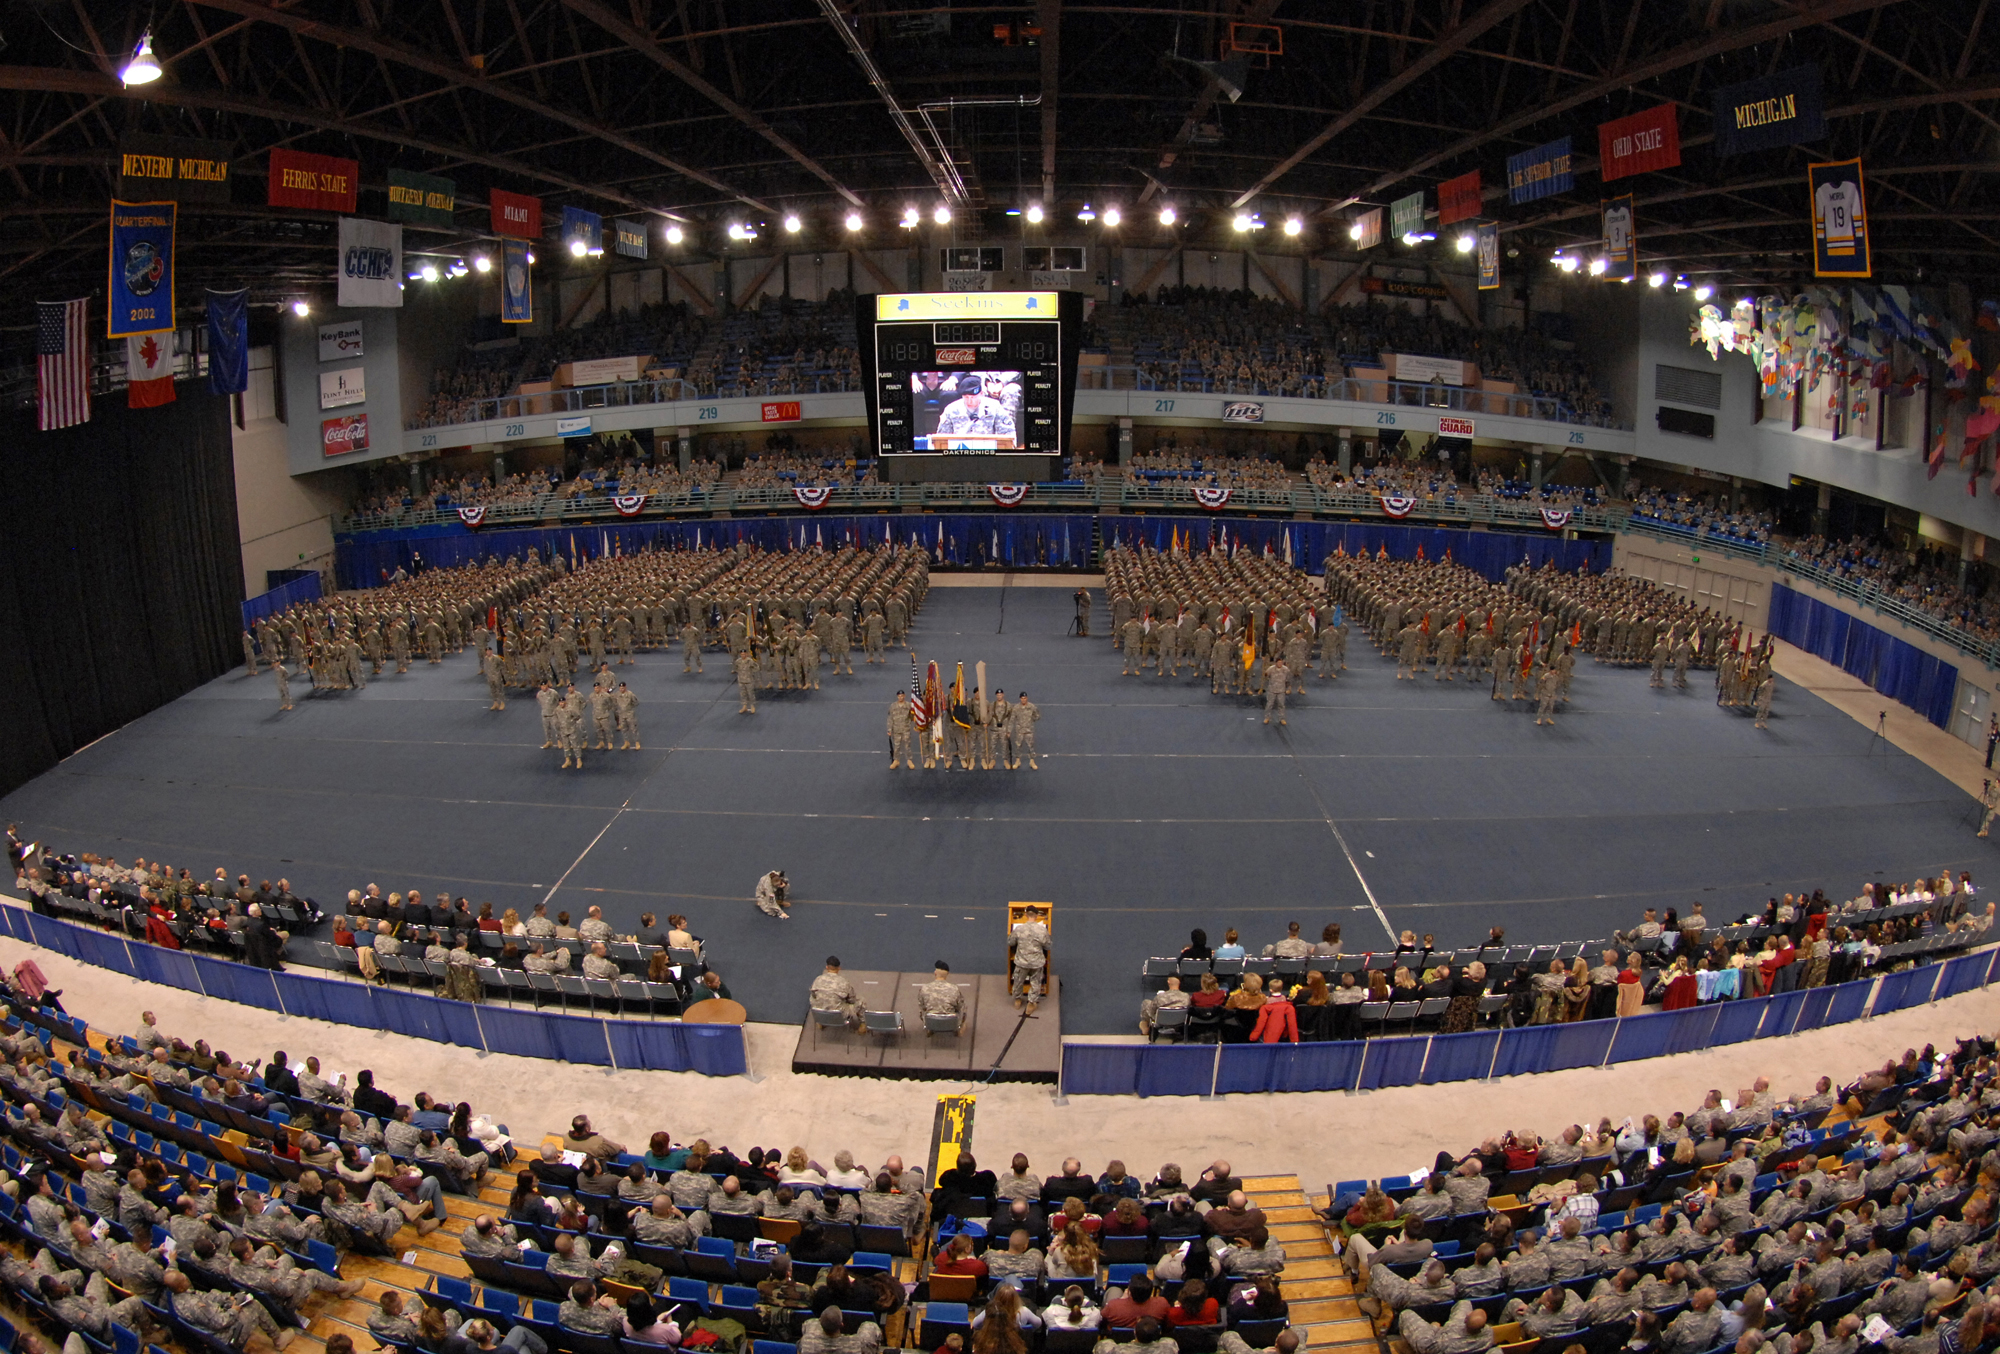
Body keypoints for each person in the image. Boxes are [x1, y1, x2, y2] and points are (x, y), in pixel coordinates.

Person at [935, 375, 1017, 441]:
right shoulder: (951, 409)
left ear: (981, 393)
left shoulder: (994, 407)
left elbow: (1008, 435)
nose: (969, 401)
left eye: (973, 397)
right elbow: (942, 438)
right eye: (966, 397)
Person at [1011, 905, 1051, 1012]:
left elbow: (1010, 942)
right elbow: (1048, 946)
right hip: (1036, 963)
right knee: (1035, 982)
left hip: (1021, 962)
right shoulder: (1042, 930)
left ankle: (1017, 1000)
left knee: (1018, 981)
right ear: (1037, 916)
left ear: (1025, 915)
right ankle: (1031, 1003)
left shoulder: (1019, 929)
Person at [811, 957, 862, 1027]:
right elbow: (852, 1000)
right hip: (839, 1013)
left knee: (813, 997)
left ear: (826, 967)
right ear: (839, 968)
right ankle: (863, 1025)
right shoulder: (844, 982)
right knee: (861, 1002)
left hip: (821, 1010)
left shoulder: (818, 979)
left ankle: (820, 1021)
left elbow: (813, 995)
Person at [918, 962, 965, 1030]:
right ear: (947, 975)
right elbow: (960, 1006)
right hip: (950, 1022)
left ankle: (929, 1029)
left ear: (935, 973)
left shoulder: (924, 988)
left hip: (931, 1021)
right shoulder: (954, 989)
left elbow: (921, 1007)